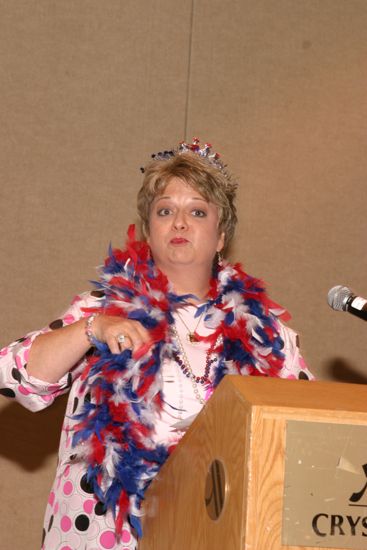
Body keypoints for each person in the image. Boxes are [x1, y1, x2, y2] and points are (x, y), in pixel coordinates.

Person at [0, 138, 313, 549]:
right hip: (106, 535)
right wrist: (91, 329)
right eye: (165, 211)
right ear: (149, 232)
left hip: (216, 533)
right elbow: (13, 375)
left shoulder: (267, 334)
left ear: (221, 236)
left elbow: (306, 439)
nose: (180, 223)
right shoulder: (104, 308)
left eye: (197, 211)